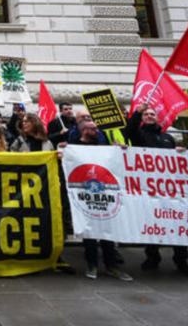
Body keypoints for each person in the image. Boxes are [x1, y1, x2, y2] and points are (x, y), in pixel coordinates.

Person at [122, 104, 188, 278]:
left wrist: (178, 153)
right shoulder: (139, 135)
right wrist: (137, 113)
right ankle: (152, 258)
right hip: (149, 189)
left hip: (170, 190)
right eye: (146, 114)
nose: (149, 116)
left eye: (152, 114)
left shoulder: (167, 138)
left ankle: (181, 261)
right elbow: (130, 129)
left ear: (157, 117)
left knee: (176, 225)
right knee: (153, 224)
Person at [60, 119, 133, 282]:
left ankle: (112, 265)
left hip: (105, 195)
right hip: (85, 196)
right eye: (94, 129)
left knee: (108, 232)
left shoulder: (103, 146)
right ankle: (91, 264)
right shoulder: (73, 147)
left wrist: (120, 151)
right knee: (89, 234)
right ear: (84, 130)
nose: (98, 132)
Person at [11, 112, 75, 275]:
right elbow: (8, 160)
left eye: (27, 121)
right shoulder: (19, 141)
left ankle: (55, 257)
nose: (24, 124)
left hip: (45, 188)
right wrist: (18, 157)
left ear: (35, 123)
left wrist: (59, 157)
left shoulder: (48, 143)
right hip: (25, 190)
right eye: (23, 121)